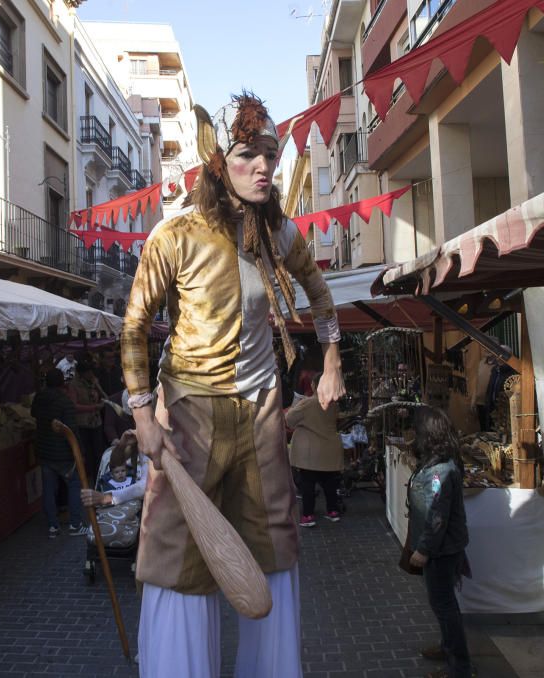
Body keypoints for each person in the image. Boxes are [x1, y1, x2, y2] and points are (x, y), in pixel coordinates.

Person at [120, 92, 345, 678]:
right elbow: (136, 324)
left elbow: (321, 299)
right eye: (249, 154)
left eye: (271, 153)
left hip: (264, 411)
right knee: (178, 556)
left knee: (274, 545)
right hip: (190, 412)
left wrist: (333, 361)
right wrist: (144, 414)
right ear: (218, 161)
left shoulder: (281, 235)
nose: (266, 166)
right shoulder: (175, 235)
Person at [407, 406, 473, 678]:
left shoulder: (441, 471)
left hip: (441, 550)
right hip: (441, 547)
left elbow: (437, 516)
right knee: (442, 604)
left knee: (444, 606)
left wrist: (423, 550)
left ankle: (459, 668)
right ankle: (448, 648)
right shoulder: (437, 464)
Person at [31, 368, 86, 538]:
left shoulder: (39, 399)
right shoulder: (65, 402)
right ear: (62, 382)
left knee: (48, 489)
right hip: (63, 454)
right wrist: (79, 452)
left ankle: (53, 526)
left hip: (45, 451)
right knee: (74, 485)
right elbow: (72, 430)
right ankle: (75, 525)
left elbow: (33, 414)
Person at [287, 374, 344, 527]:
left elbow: (289, 419)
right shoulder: (333, 404)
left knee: (308, 485)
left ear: (314, 385)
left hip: (310, 453)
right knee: (329, 483)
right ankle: (333, 511)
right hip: (330, 449)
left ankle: (308, 515)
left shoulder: (307, 403)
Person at [67, 351, 108, 483]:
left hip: (96, 422)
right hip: (83, 423)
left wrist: (97, 385)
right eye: (88, 372)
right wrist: (93, 408)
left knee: (99, 450)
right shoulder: (74, 385)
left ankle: (100, 475)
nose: (90, 374)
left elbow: (105, 398)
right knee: (88, 452)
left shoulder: (93, 382)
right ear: (81, 373)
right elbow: (74, 406)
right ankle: (90, 478)